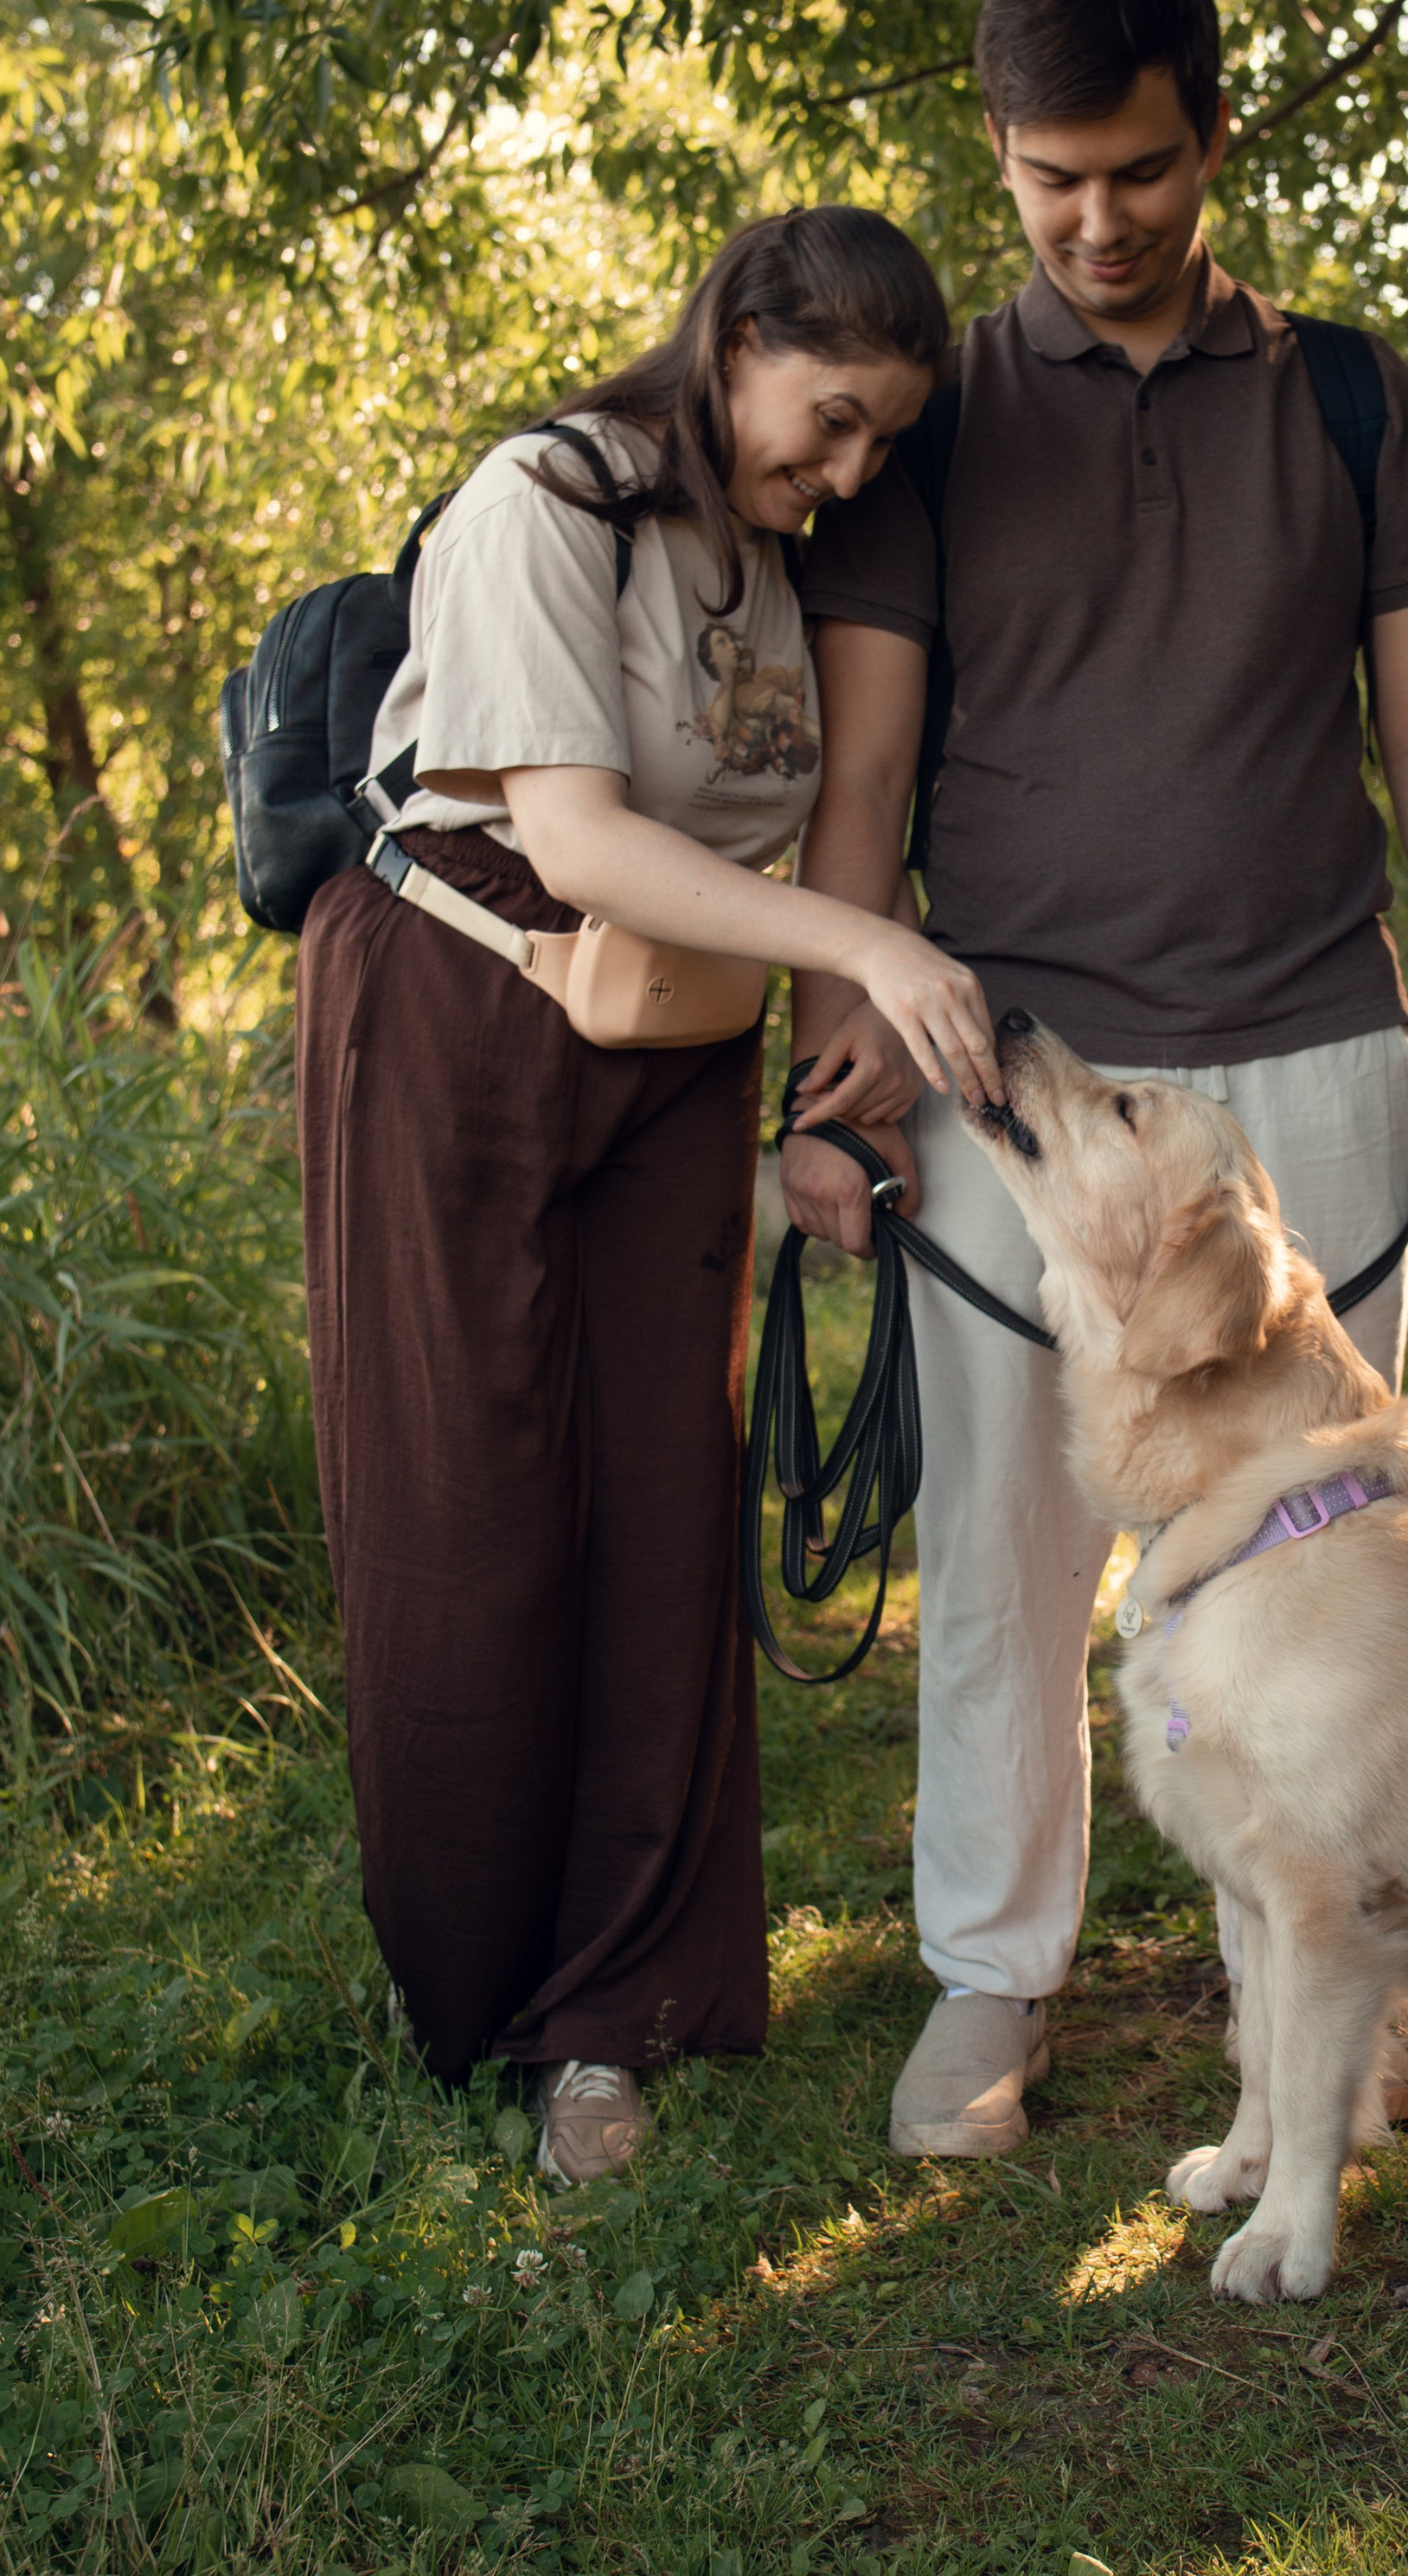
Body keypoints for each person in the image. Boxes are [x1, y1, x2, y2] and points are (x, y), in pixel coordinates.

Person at [781, 0, 1408, 2159]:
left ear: (1212, 135)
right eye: (1044, 179)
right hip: (1019, 1096)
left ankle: (1360, 1994)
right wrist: (834, 1047)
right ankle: (988, 1981)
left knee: (1348, 1577)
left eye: (1131, 170)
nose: (1090, 220)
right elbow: (865, 771)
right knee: (1000, 1553)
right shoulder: (925, 421)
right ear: (995, 158)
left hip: (1310, 1049)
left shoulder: (1350, 401)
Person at [294, 207, 1001, 2182]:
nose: (848, 474)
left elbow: (786, 836)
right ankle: (478, 1991)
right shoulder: (546, 501)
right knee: (477, 1499)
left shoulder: (781, 566)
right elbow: (588, 843)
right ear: (739, 335)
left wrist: (822, 1064)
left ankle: (616, 2011)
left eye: (880, 446)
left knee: (668, 1499)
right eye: (831, 421)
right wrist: (872, 958)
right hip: (459, 994)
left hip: (669, 1048)